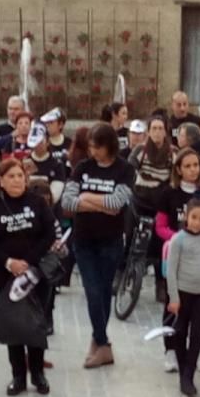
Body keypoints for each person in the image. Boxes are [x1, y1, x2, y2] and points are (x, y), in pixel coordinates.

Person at [0, 158, 57, 396]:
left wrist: (29, 261)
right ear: (1, 181)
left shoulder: (37, 202)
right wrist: (9, 262)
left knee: (36, 321)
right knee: (13, 322)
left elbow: (49, 234)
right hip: (5, 272)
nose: (16, 180)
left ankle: (37, 373)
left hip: (35, 271)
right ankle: (18, 376)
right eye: (10, 176)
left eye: (19, 175)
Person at [61, 123, 135, 368]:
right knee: (92, 291)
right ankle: (103, 343)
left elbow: (117, 204)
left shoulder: (124, 170)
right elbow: (68, 202)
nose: (93, 151)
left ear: (109, 146)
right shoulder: (83, 167)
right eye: (90, 146)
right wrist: (101, 204)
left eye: (97, 147)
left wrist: (87, 198)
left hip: (111, 241)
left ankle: (98, 341)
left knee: (103, 292)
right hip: (83, 241)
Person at [156, 148, 200, 374]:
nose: (192, 170)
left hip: (199, 260)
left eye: (196, 165)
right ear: (178, 169)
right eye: (187, 166)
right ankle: (170, 350)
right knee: (173, 305)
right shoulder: (168, 194)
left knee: (197, 314)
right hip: (174, 255)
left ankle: (196, 351)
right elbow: (159, 226)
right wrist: (182, 239)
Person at [165, 198, 200, 397]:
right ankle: (183, 374)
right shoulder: (178, 240)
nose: (197, 222)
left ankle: (190, 373)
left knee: (197, 336)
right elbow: (170, 271)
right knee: (180, 334)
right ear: (186, 216)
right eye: (194, 217)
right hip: (183, 295)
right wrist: (173, 297)